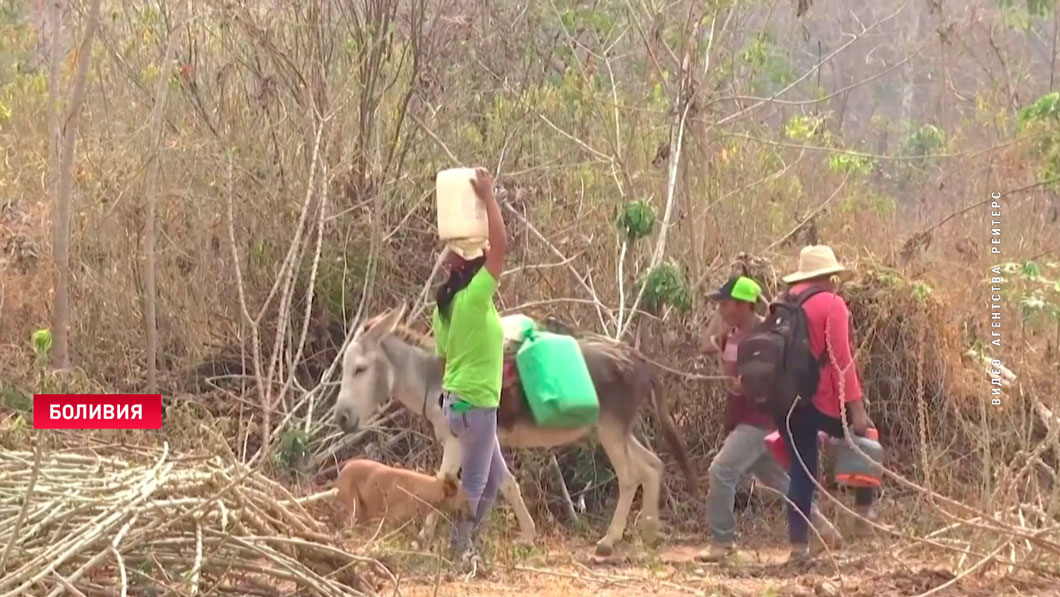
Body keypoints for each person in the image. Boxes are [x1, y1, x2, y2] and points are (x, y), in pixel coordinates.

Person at [697, 275, 841, 563]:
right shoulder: (733, 334)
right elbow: (705, 346)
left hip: (757, 420)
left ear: (745, 305)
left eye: (726, 304)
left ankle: (722, 541)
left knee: (721, 471)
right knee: (781, 482)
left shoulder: (768, 335)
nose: (722, 310)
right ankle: (823, 527)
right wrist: (721, 323)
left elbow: (774, 378)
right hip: (746, 420)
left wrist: (747, 385)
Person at [774, 245, 877, 567]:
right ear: (827, 277)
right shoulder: (831, 303)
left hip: (784, 400)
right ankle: (862, 514)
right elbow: (841, 359)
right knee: (868, 440)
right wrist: (856, 408)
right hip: (821, 399)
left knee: (801, 474)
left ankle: (798, 548)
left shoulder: (783, 302)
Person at [431, 167, 508, 567]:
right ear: (474, 271)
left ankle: (472, 543)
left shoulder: (443, 309)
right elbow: (502, 246)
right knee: (477, 480)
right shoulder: (476, 299)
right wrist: (488, 196)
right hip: (477, 406)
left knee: (494, 477)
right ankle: (459, 552)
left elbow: (444, 360)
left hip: (455, 405)